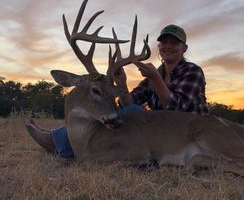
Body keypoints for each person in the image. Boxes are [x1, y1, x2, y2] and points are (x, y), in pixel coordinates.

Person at [25, 24, 209, 158]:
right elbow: (130, 103)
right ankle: (61, 138)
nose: (168, 46)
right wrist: (122, 84)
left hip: (187, 130)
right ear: (159, 48)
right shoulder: (156, 73)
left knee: (131, 116)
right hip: (161, 128)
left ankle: (57, 142)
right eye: (164, 43)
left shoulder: (192, 72)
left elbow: (177, 109)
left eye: (174, 43)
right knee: (126, 113)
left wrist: (156, 79)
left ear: (184, 48)